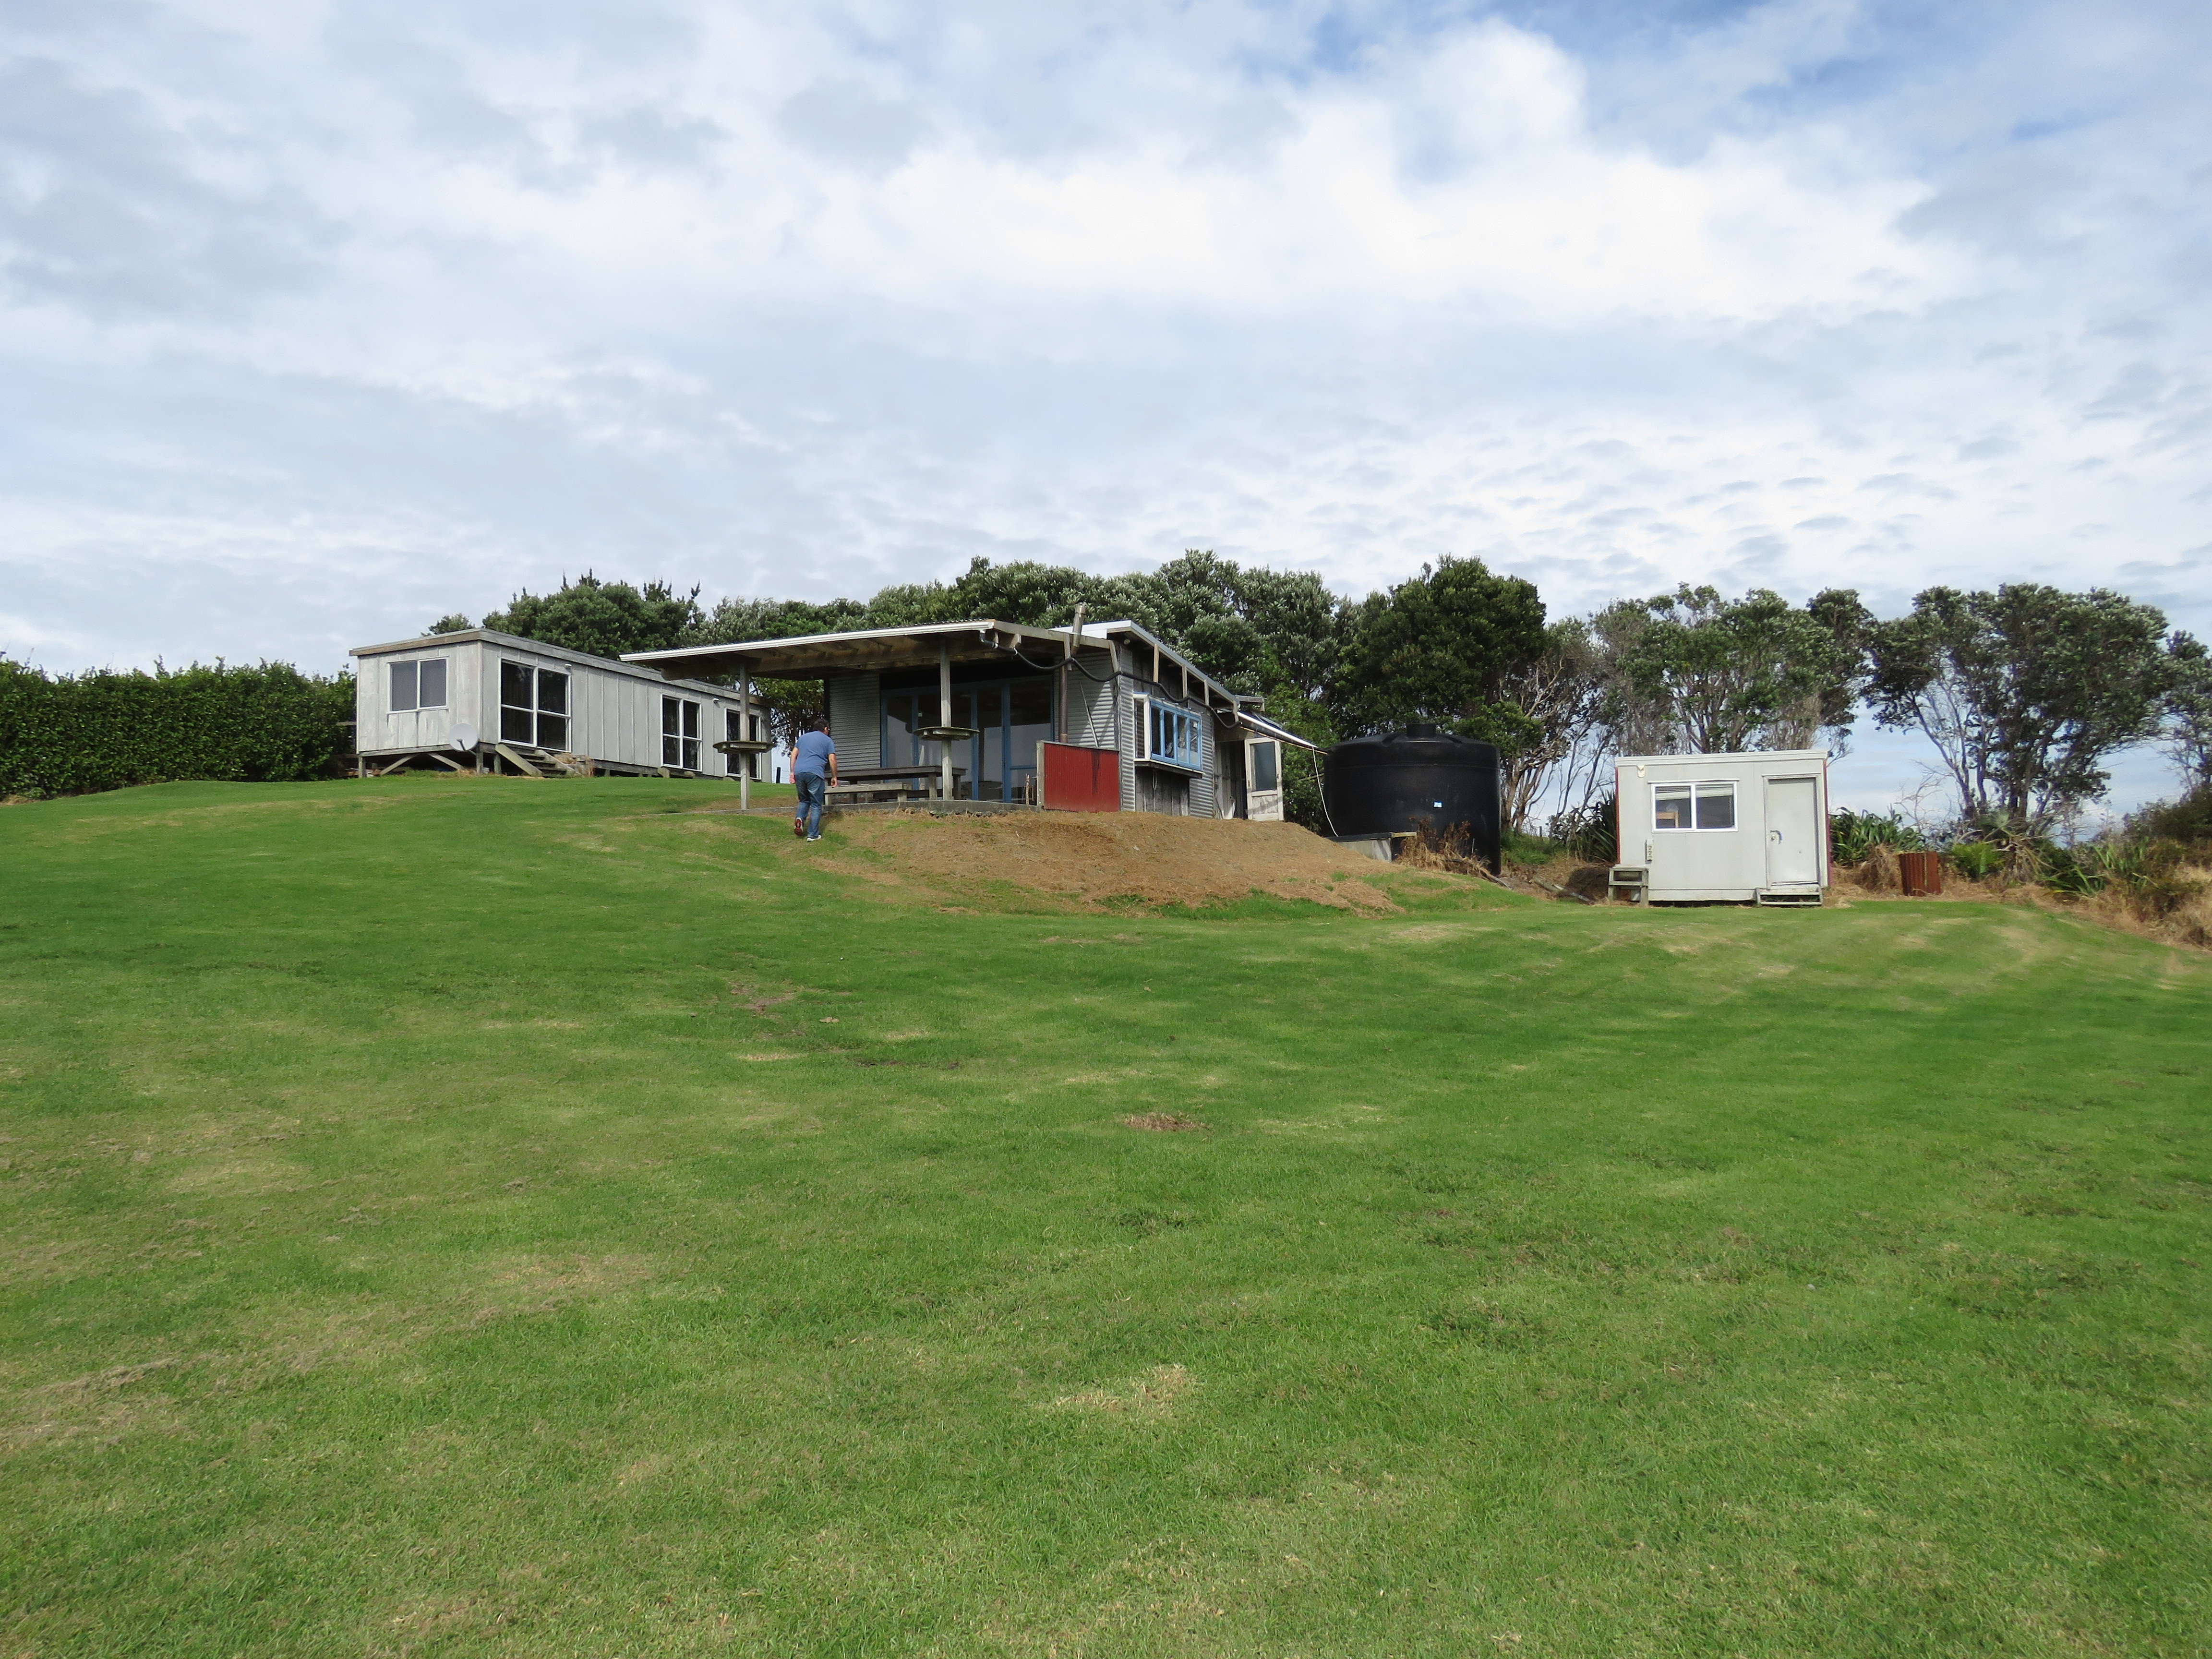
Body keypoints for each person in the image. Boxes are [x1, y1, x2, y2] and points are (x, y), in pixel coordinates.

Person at [792, 717, 837, 842]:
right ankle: (813, 835)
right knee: (816, 804)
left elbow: (794, 754)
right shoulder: (828, 741)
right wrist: (834, 776)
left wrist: (792, 772)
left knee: (804, 800)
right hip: (815, 773)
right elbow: (832, 759)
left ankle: (800, 818)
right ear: (826, 729)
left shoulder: (803, 738)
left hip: (799, 771)